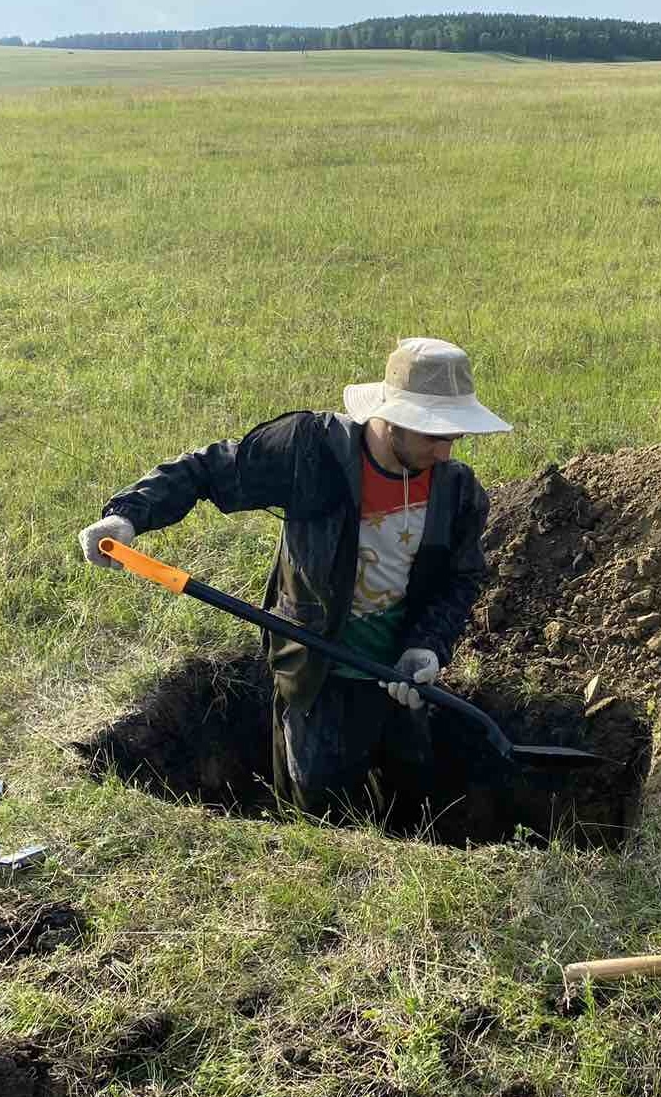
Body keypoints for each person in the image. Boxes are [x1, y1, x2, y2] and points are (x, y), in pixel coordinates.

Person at [78, 337, 512, 819]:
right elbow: (208, 470)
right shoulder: (311, 451)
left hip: (397, 672)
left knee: (415, 792)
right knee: (318, 801)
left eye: (454, 436)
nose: (446, 451)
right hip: (316, 666)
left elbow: (461, 579)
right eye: (434, 435)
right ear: (392, 418)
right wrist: (127, 516)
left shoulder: (457, 491)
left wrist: (426, 646)